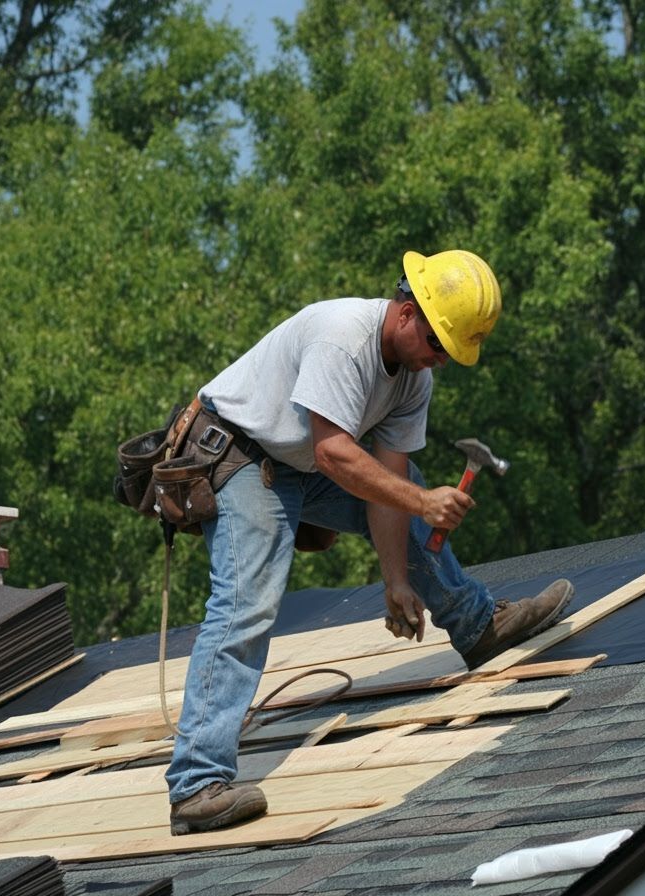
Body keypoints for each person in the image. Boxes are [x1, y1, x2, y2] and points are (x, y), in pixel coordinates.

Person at [166, 249, 574, 836]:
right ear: (408, 313)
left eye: (450, 353)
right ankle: (196, 785)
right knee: (246, 605)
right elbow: (335, 451)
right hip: (243, 454)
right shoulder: (343, 338)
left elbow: (389, 483)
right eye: (438, 345)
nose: (440, 360)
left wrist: (397, 580)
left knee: (402, 487)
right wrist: (425, 502)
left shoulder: (414, 378)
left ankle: (477, 625)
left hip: (303, 461)